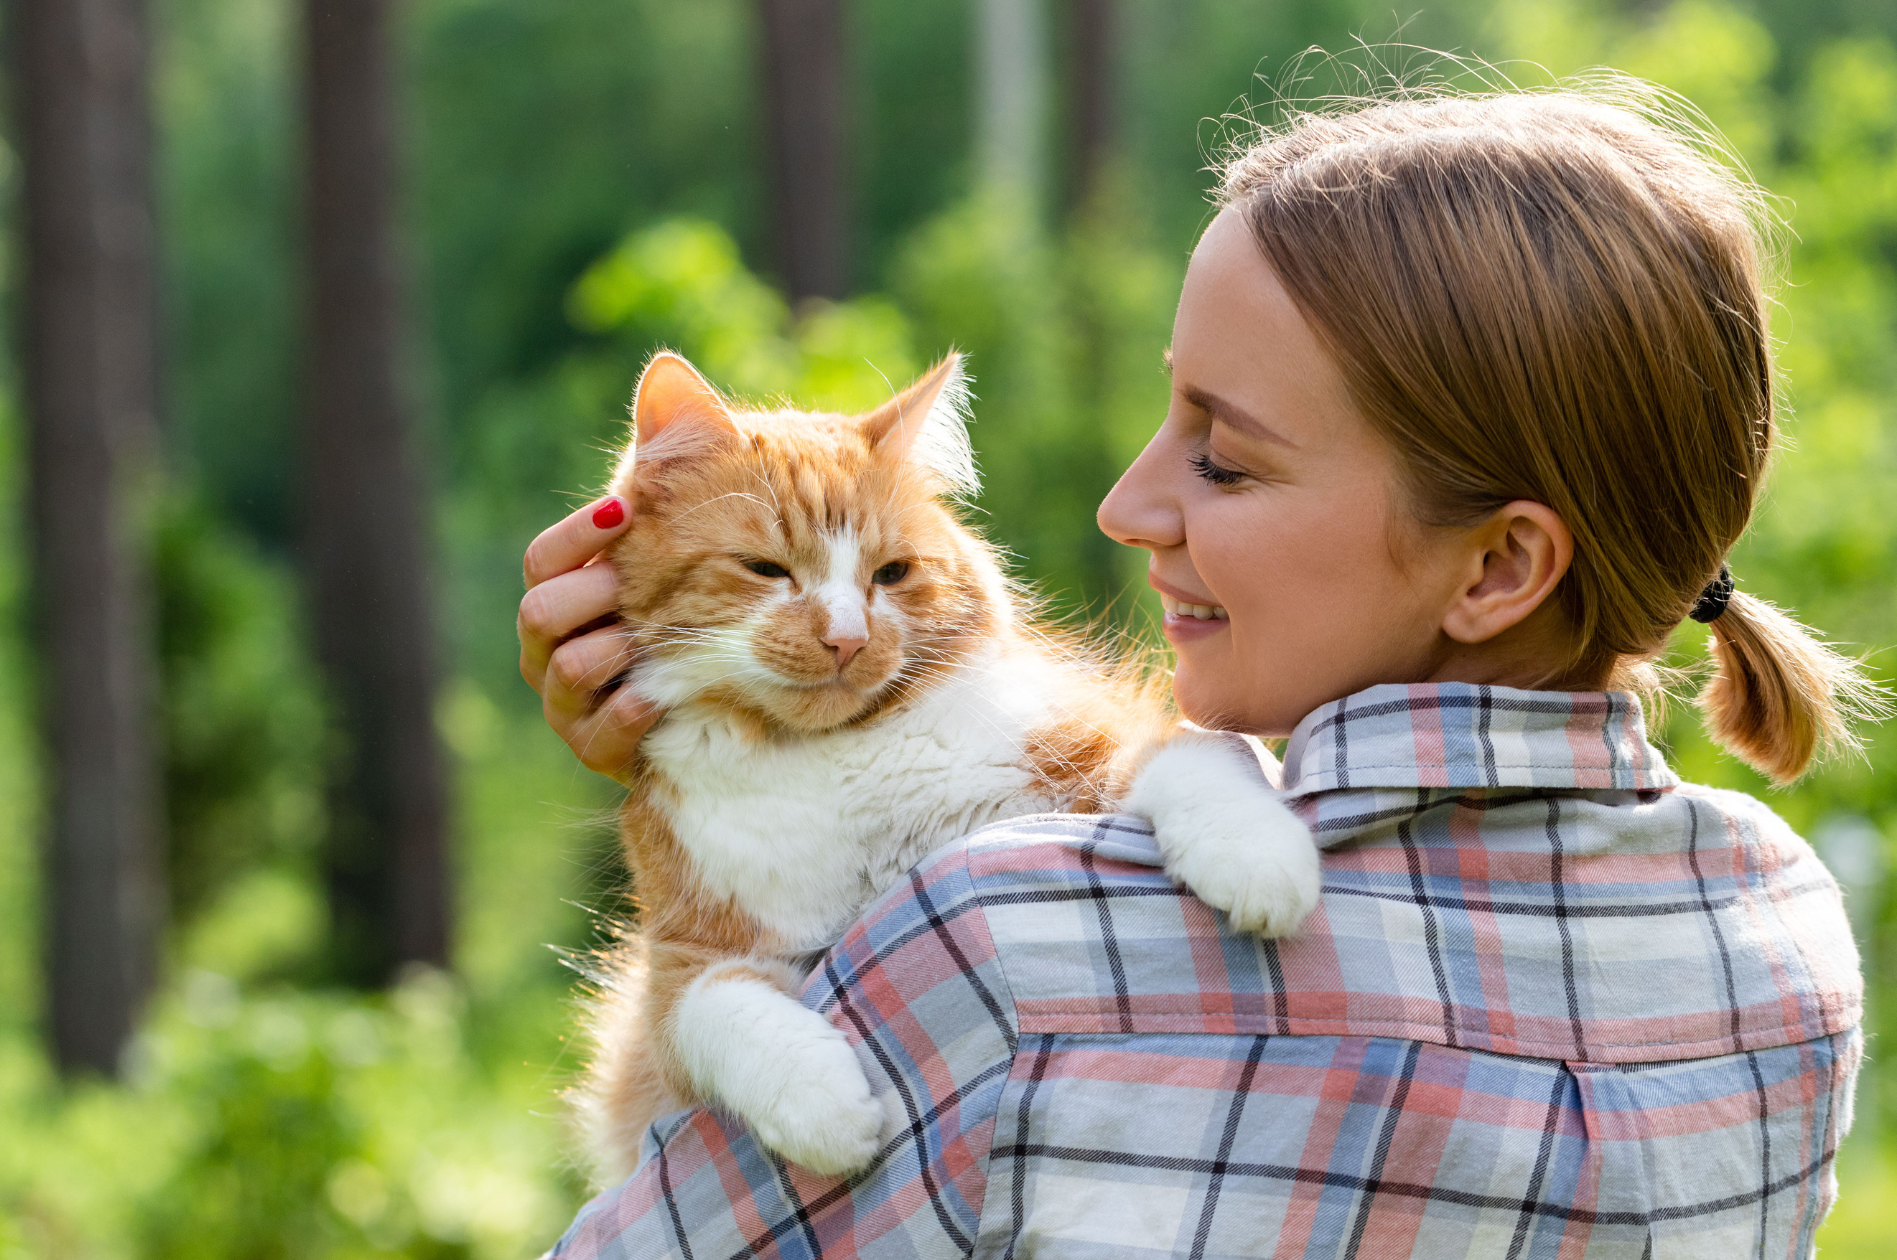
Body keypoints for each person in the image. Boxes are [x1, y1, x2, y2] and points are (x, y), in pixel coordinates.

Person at [517, 82, 1872, 1258]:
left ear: (1498, 570)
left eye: (1224, 458)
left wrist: (698, 803)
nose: (1124, 502)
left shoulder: (1010, 950)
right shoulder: (1781, 930)